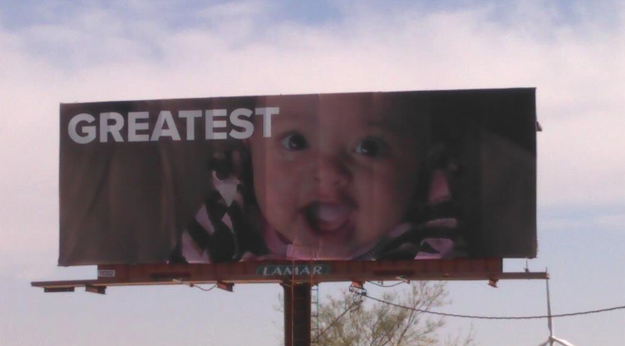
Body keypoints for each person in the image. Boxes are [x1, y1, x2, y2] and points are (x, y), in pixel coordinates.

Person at [170, 93, 466, 263]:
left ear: (420, 163)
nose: (328, 172)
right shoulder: (225, 218)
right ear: (252, 149)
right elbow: (182, 283)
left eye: (369, 147)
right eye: (295, 142)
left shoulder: (428, 245)